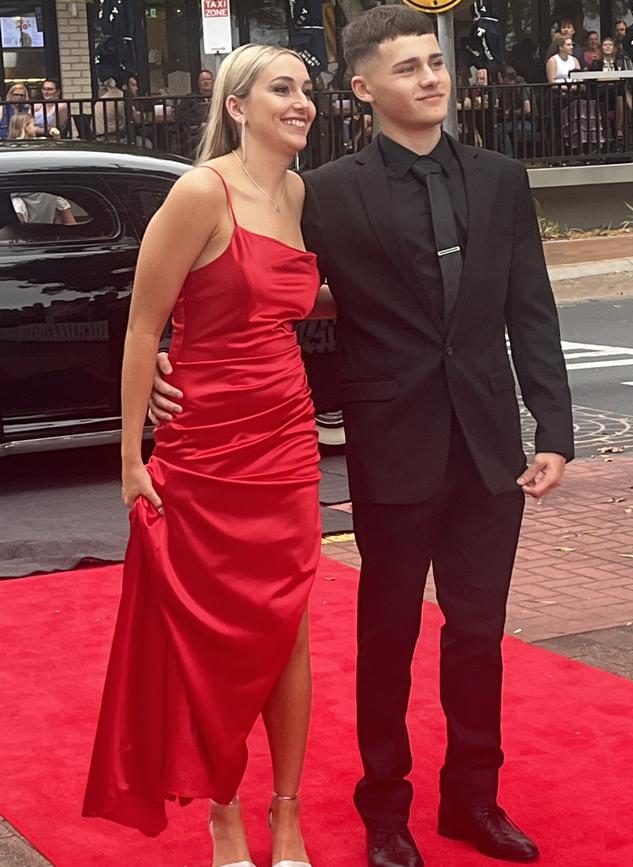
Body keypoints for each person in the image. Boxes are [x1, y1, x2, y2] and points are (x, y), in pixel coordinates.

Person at [152, 6, 574, 866]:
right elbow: (242, 274)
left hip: (490, 444)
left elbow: (532, 310)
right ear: (365, 87)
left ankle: (474, 799)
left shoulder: (501, 179)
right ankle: (386, 811)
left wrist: (554, 427)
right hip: (392, 446)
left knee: (478, 631)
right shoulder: (326, 192)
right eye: (408, 67)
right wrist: (171, 357)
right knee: (388, 635)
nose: (430, 78)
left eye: (435, 63)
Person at [83, 43, 331, 867]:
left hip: (286, 437)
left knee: (287, 625)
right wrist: (130, 458)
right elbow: (143, 329)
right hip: (206, 443)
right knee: (213, 633)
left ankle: (285, 814)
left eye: (308, 90)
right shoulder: (200, 192)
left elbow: (285, 296)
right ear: (236, 106)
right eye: (283, 89)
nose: (303, 102)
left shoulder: (296, 190)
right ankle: (224, 811)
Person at [178, 68, 215, 152]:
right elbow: (181, 116)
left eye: (208, 79)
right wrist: (199, 124)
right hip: (196, 133)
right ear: (199, 83)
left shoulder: (219, 97)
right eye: (203, 80)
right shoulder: (190, 99)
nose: (206, 82)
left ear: (213, 81)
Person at [93, 77, 126, 141]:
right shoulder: (120, 98)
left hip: (99, 138)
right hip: (115, 139)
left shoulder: (101, 100)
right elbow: (133, 119)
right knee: (147, 143)